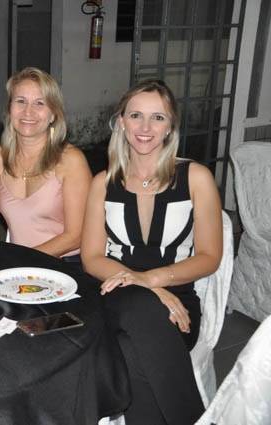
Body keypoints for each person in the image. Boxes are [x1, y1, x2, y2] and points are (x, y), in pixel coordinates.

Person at [80, 79, 223, 424]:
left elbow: (210, 256)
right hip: (114, 292)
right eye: (136, 116)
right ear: (121, 122)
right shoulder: (103, 183)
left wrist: (151, 280)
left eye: (157, 117)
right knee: (140, 309)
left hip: (177, 304)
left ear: (170, 126)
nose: (145, 127)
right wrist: (144, 285)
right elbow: (92, 258)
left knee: (131, 351)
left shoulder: (196, 178)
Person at [0, 67, 91, 259]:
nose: (28, 112)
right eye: (21, 101)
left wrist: (23, 259)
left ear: (53, 114)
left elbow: (76, 235)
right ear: (10, 109)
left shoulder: (70, 161)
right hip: (18, 262)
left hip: (65, 263)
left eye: (39, 103)